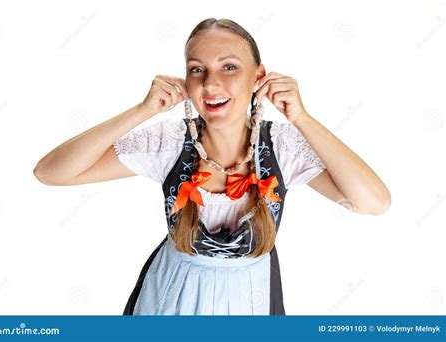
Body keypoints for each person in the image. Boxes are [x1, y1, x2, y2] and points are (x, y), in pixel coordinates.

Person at [34, 18, 391, 315]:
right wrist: (143, 111)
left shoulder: (283, 147)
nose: (210, 83)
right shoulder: (170, 143)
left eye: (229, 67)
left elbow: (373, 202)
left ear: (258, 77)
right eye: (197, 70)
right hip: (171, 299)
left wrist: (303, 119)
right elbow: (52, 172)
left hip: (249, 301)